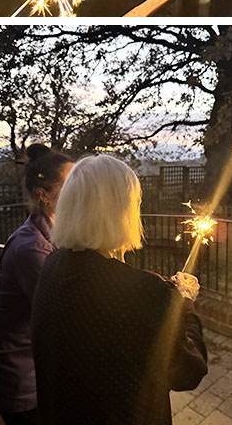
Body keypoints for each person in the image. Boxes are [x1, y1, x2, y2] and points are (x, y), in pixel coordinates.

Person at [30, 154, 208, 425]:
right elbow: (188, 372)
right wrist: (184, 305)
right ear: (122, 212)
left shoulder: (52, 265)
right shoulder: (147, 292)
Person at [0, 145, 74, 425]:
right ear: (43, 195)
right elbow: (66, 315)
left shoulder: (56, 231)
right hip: (15, 369)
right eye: (70, 184)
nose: (80, 190)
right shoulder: (31, 248)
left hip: (27, 360)